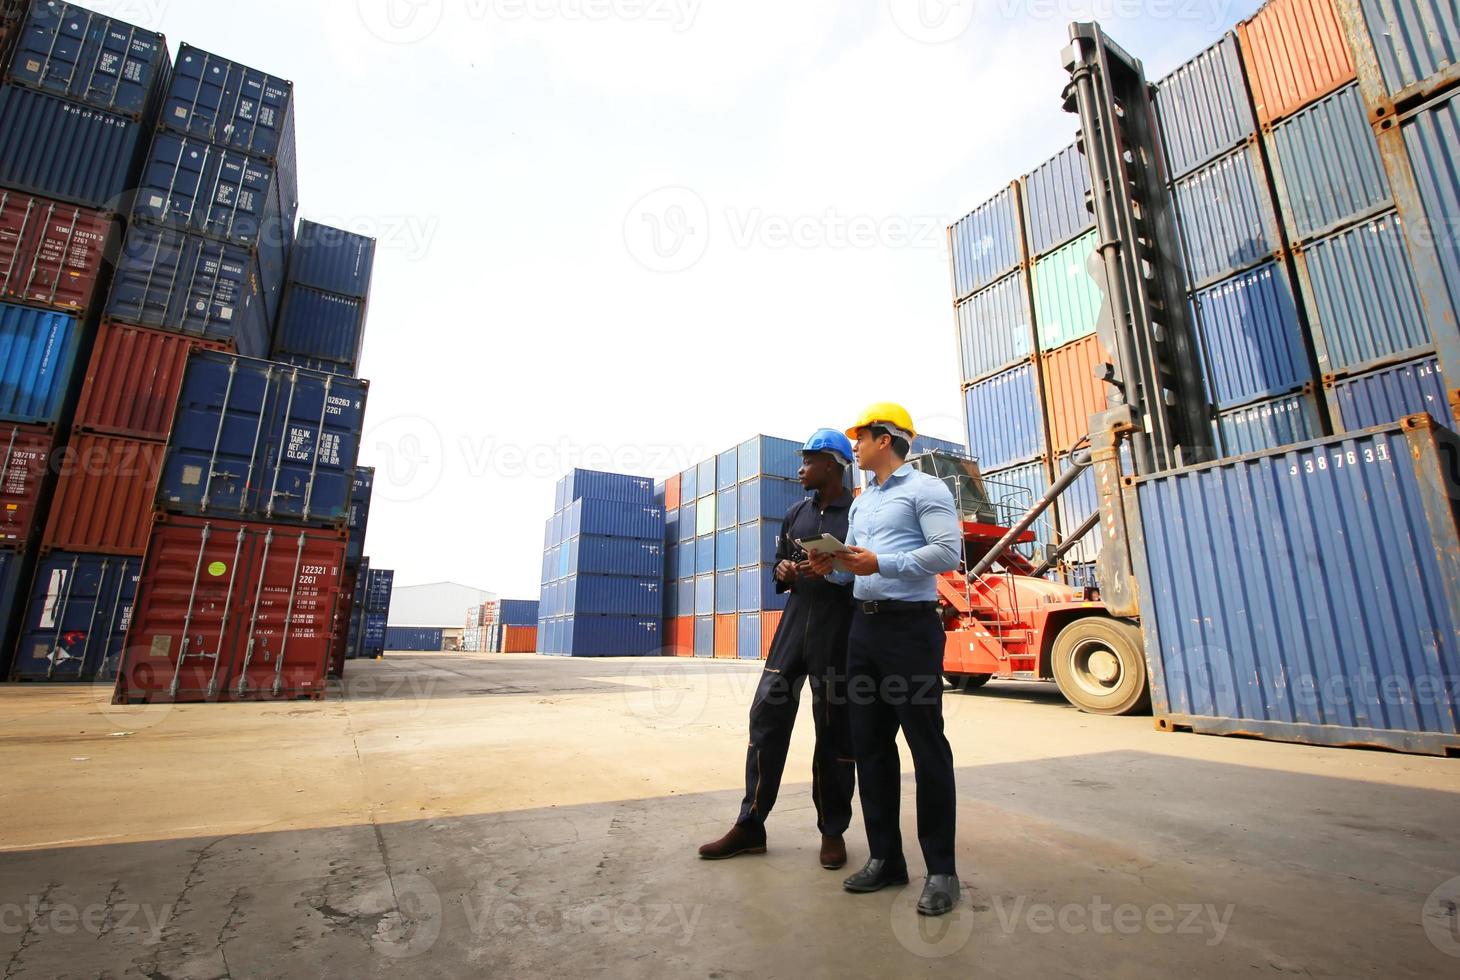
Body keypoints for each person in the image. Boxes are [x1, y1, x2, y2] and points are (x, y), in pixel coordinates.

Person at [807, 403, 963, 917]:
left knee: (926, 747)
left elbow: (947, 553)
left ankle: (941, 870)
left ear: (888, 438)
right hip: (864, 629)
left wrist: (884, 562)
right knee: (870, 747)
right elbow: (854, 571)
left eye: (862, 436)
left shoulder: (927, 490)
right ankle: (886, 859)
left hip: (909, 631)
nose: (854, 445)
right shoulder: (861, 503)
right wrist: (829, 565)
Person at [698, 429, 858, 870]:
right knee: (766, 717)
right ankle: (751, 824)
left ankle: (832, 831)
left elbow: (867, 571)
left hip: (837, 632)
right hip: (792, 631)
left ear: (831, 464)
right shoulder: (795, 514)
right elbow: (779, 577)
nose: (800, 468)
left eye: (808, 460)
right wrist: (786, 571)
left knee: (834, 731)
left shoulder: (858, 513)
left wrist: (837, 567)